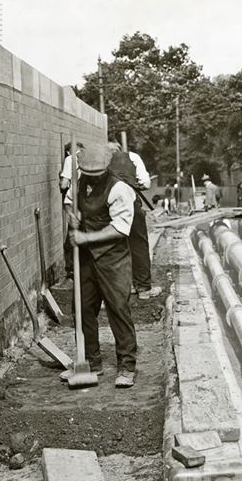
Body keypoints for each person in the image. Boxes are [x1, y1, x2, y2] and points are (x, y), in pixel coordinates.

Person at [64, 142, 138, 388]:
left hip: (112, 258)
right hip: (86, 258)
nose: (91, 179)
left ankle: (127, 366)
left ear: (105, 169)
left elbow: (120, 228)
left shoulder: (119, 189)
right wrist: (71, 214)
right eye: (87, 174)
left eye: (95, 175)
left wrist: (86, 237)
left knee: (118, 309)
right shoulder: (80, 181)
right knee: (83, 308)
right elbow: (68, 199)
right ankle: (91, 361)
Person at [106, 142, 161, 300]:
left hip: (108, 207)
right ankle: (143, 288)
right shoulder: (132, 157)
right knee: (139, 245)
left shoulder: (100, 160)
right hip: (130, 205)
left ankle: (119, 288)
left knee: (113, 248)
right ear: (120, 150)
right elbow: (145, 183)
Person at [58, 142, 84, 281]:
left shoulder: (70, 159)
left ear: (68, 152)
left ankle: (72, 270)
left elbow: (64, 183)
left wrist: (61, 183)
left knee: (72, 233)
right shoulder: (88, 158)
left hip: (73, 200)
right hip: (88, 201)